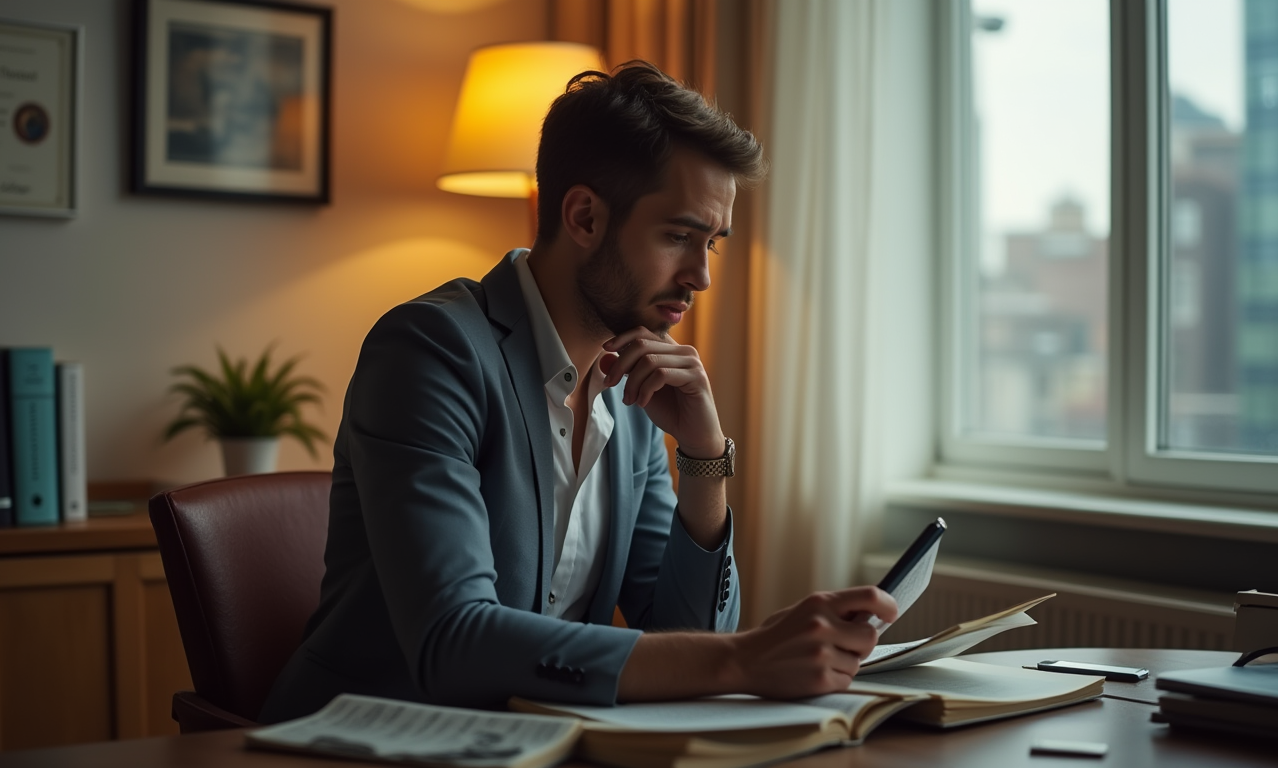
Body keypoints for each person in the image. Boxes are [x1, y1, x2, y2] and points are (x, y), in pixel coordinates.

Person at [260, 61, 897, 724]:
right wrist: (744, 658)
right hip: (363, 741)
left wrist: (705, 456)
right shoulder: (430, 351)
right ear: (585, 217)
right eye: (679, 236)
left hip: (542, 742)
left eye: (712, 243)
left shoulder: (636, 395)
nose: (701, 276)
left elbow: (683, 634)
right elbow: (453, 643)